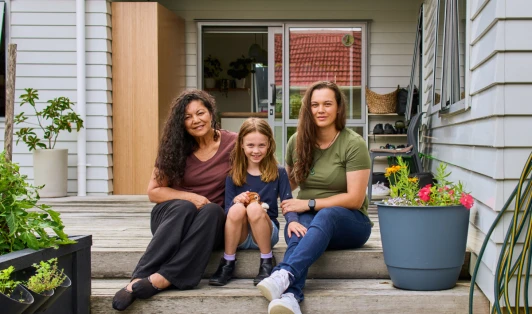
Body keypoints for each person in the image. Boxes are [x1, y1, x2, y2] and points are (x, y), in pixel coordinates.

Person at [112, 90, 237, 311]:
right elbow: (154, 191)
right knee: (185, 207)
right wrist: (191, 197)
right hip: (173, 218)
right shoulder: (174, 147)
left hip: (208, 226)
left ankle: (164, 278)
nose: (196, 120)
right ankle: (138, 279)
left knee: (213, 211)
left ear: (211, 113)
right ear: (181, 122)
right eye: (188, 117)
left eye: (200, 113)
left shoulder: (233, 144)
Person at [256, 81, 373, 314]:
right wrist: (257, 196)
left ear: (338, 108)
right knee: (298, 229)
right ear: (308, 109)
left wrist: (309, 203)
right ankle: (290, 296)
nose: (321, 110)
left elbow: (355, 199)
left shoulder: (353, 144)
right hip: (311, 218)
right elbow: (288, 184)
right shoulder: (297, 141)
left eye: (327, 104)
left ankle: (285, 273)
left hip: (351, 222)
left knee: (326, 214)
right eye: (315, 105)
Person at [209, 118, 295, 287]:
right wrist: (236, 201)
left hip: (265, 232)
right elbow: (228, 212)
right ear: (241, 144)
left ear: (269, 144)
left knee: (255, 209)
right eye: (250, 145)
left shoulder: (278, 172)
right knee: (236, 210)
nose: (256, 151)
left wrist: (293, 222)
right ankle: (228, 262)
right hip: (240, 235)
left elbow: (288, 202)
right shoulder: (233, 174)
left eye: (261, 145)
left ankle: (266, 261)